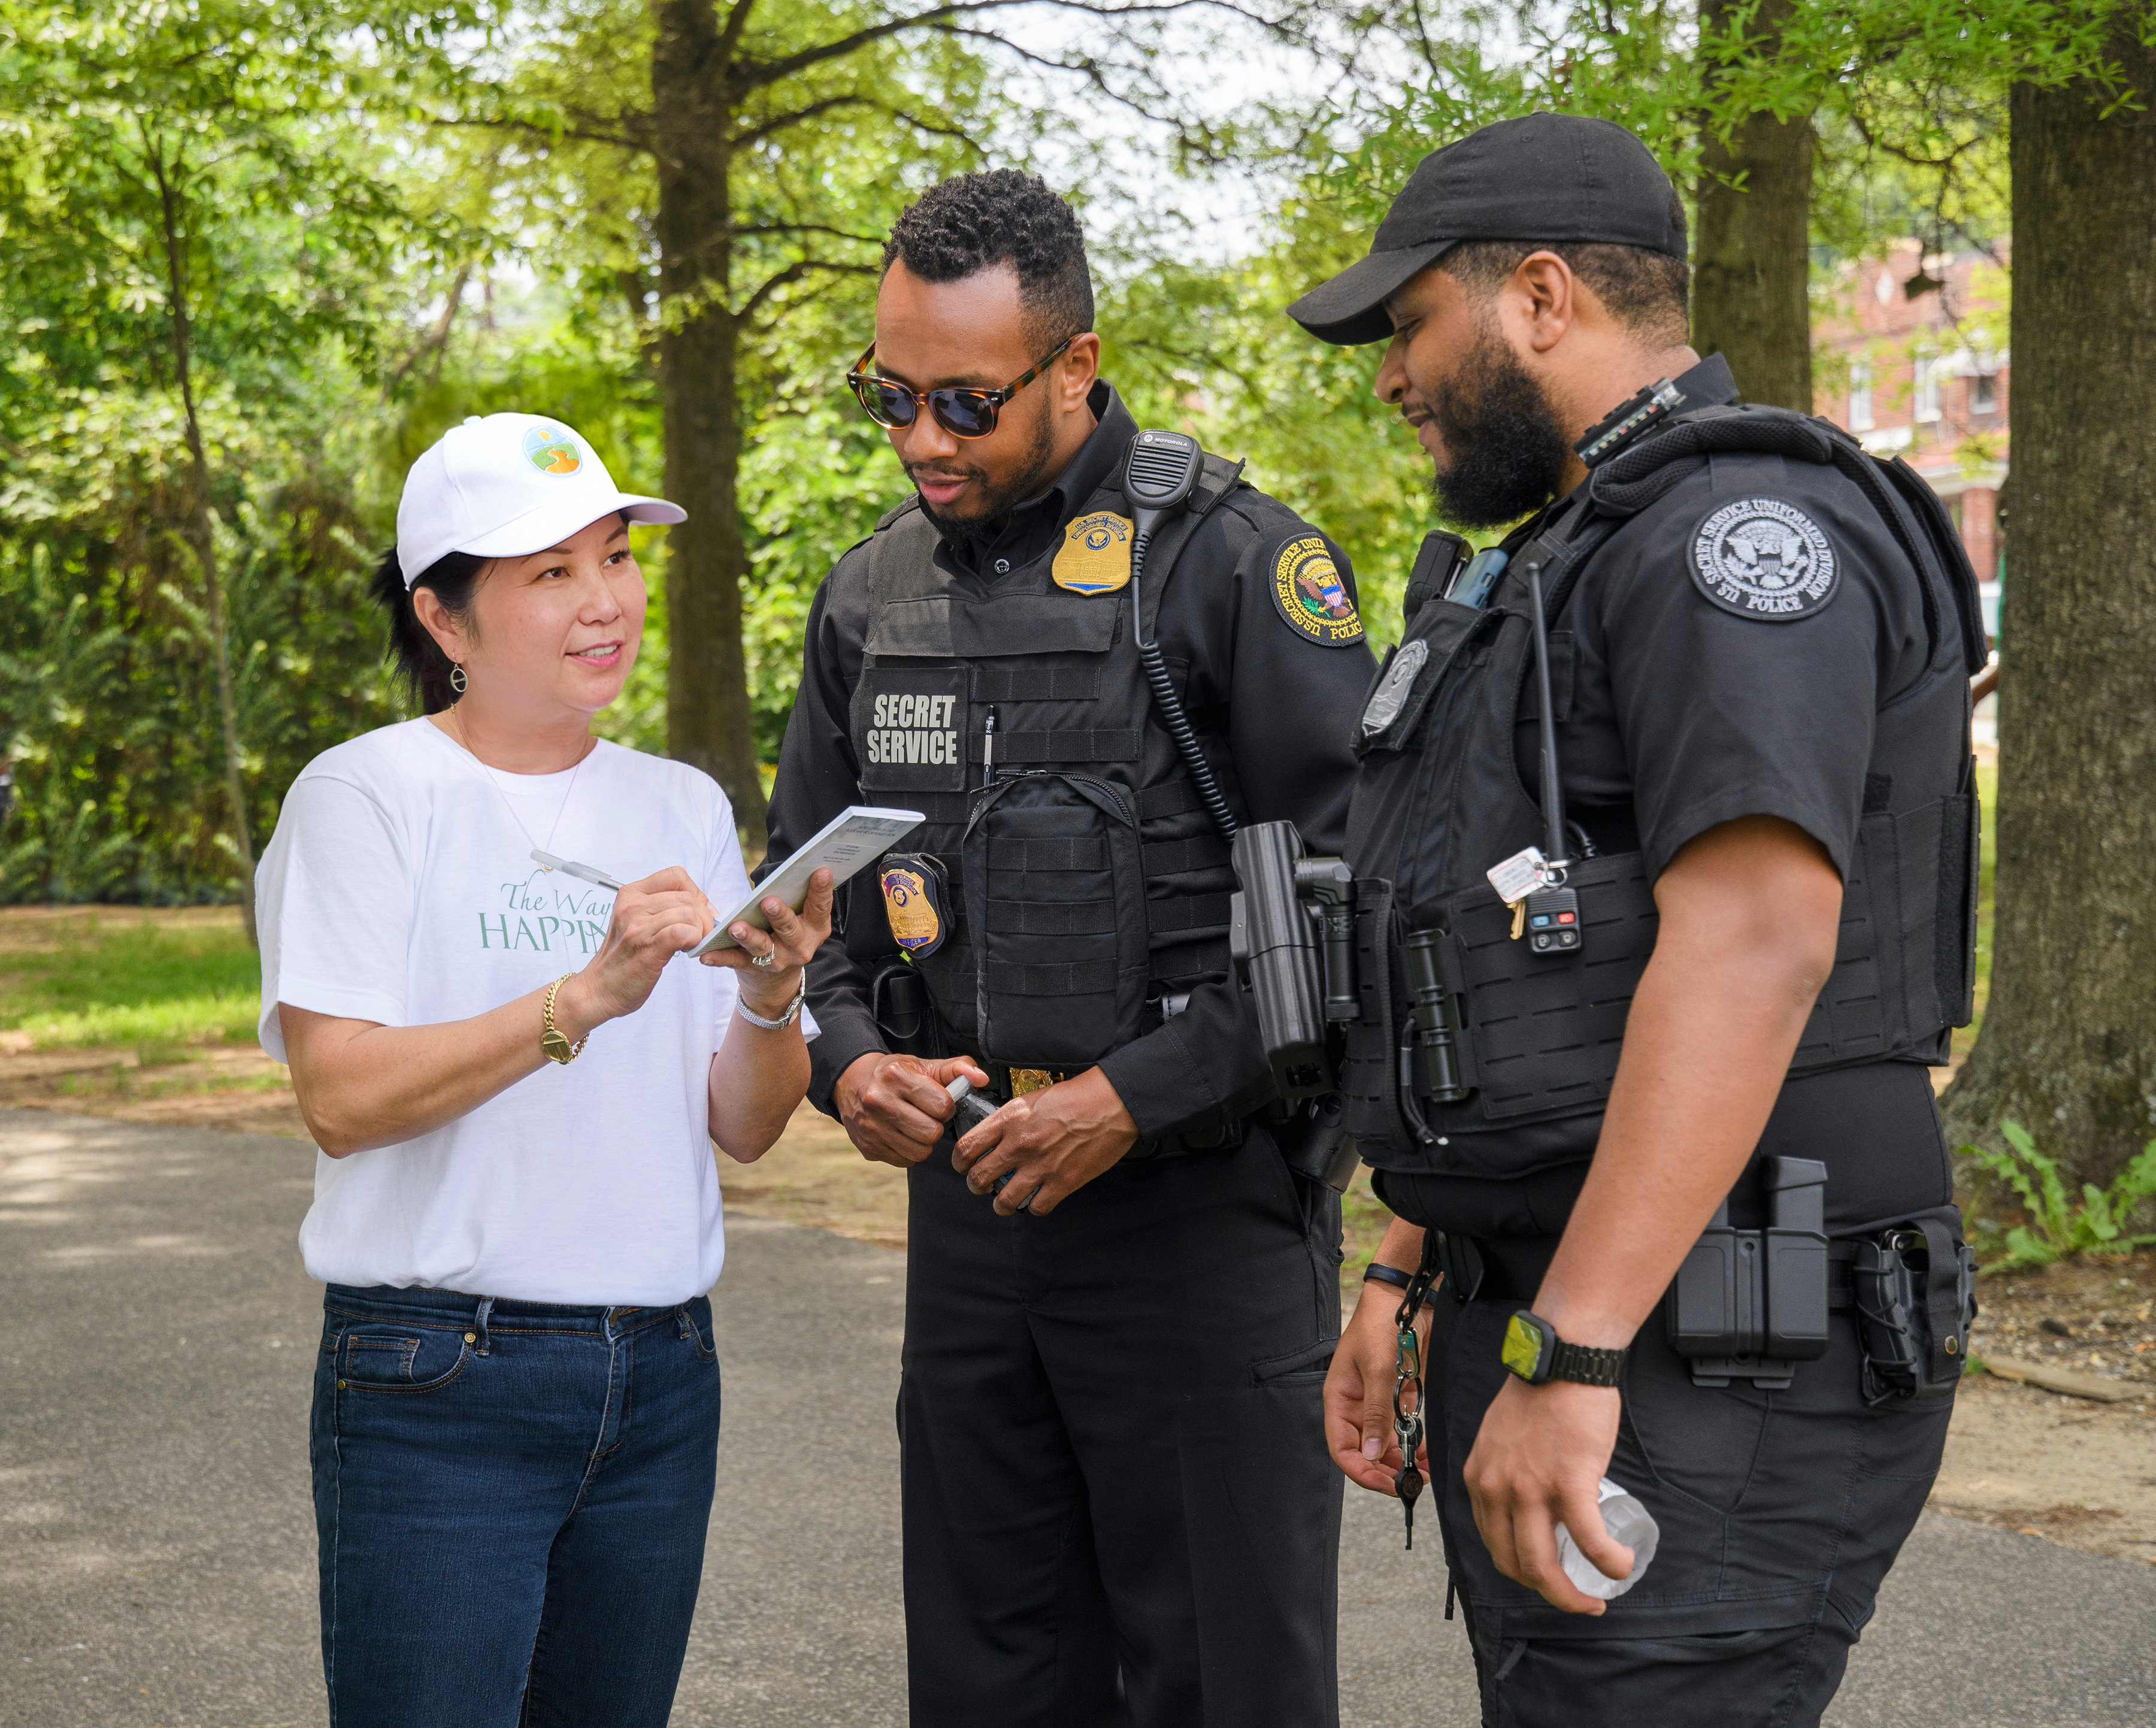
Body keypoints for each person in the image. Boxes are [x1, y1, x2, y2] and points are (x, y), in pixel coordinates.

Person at [1287, 114, 1986, 1723]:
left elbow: (1757, 942)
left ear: (1542, 296)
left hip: (1713, 1338)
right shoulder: (1580, 552)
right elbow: (1529, 972)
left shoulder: (1731, 535)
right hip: (1585, 1303)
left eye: (1411, 324)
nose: (1391, 377)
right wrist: (1408, 1268)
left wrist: (1575, 1348)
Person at [762, 170, 1376, 1726]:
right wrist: (853, 1067)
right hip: (976, 1231)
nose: (922, 439)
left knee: (1222, 1686)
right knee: (990, 1682)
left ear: (1076, 367)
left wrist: (1128, 1099)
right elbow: (803, 913)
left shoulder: (1232, 568)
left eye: (966, 402)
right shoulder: (869, 598)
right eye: (889, 396)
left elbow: (1351, 915)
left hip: (1200, 1227)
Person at [254, 412, 833, 1728]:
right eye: (552, 572)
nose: (605, 601)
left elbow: (745, 1126)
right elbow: (341, 1098)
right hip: (436, 1382)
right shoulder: (364, 796)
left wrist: (771, 994)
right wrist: (583, 998)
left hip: (661, 1377)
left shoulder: (682, 803)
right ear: (443, 618)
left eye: (616, 557)